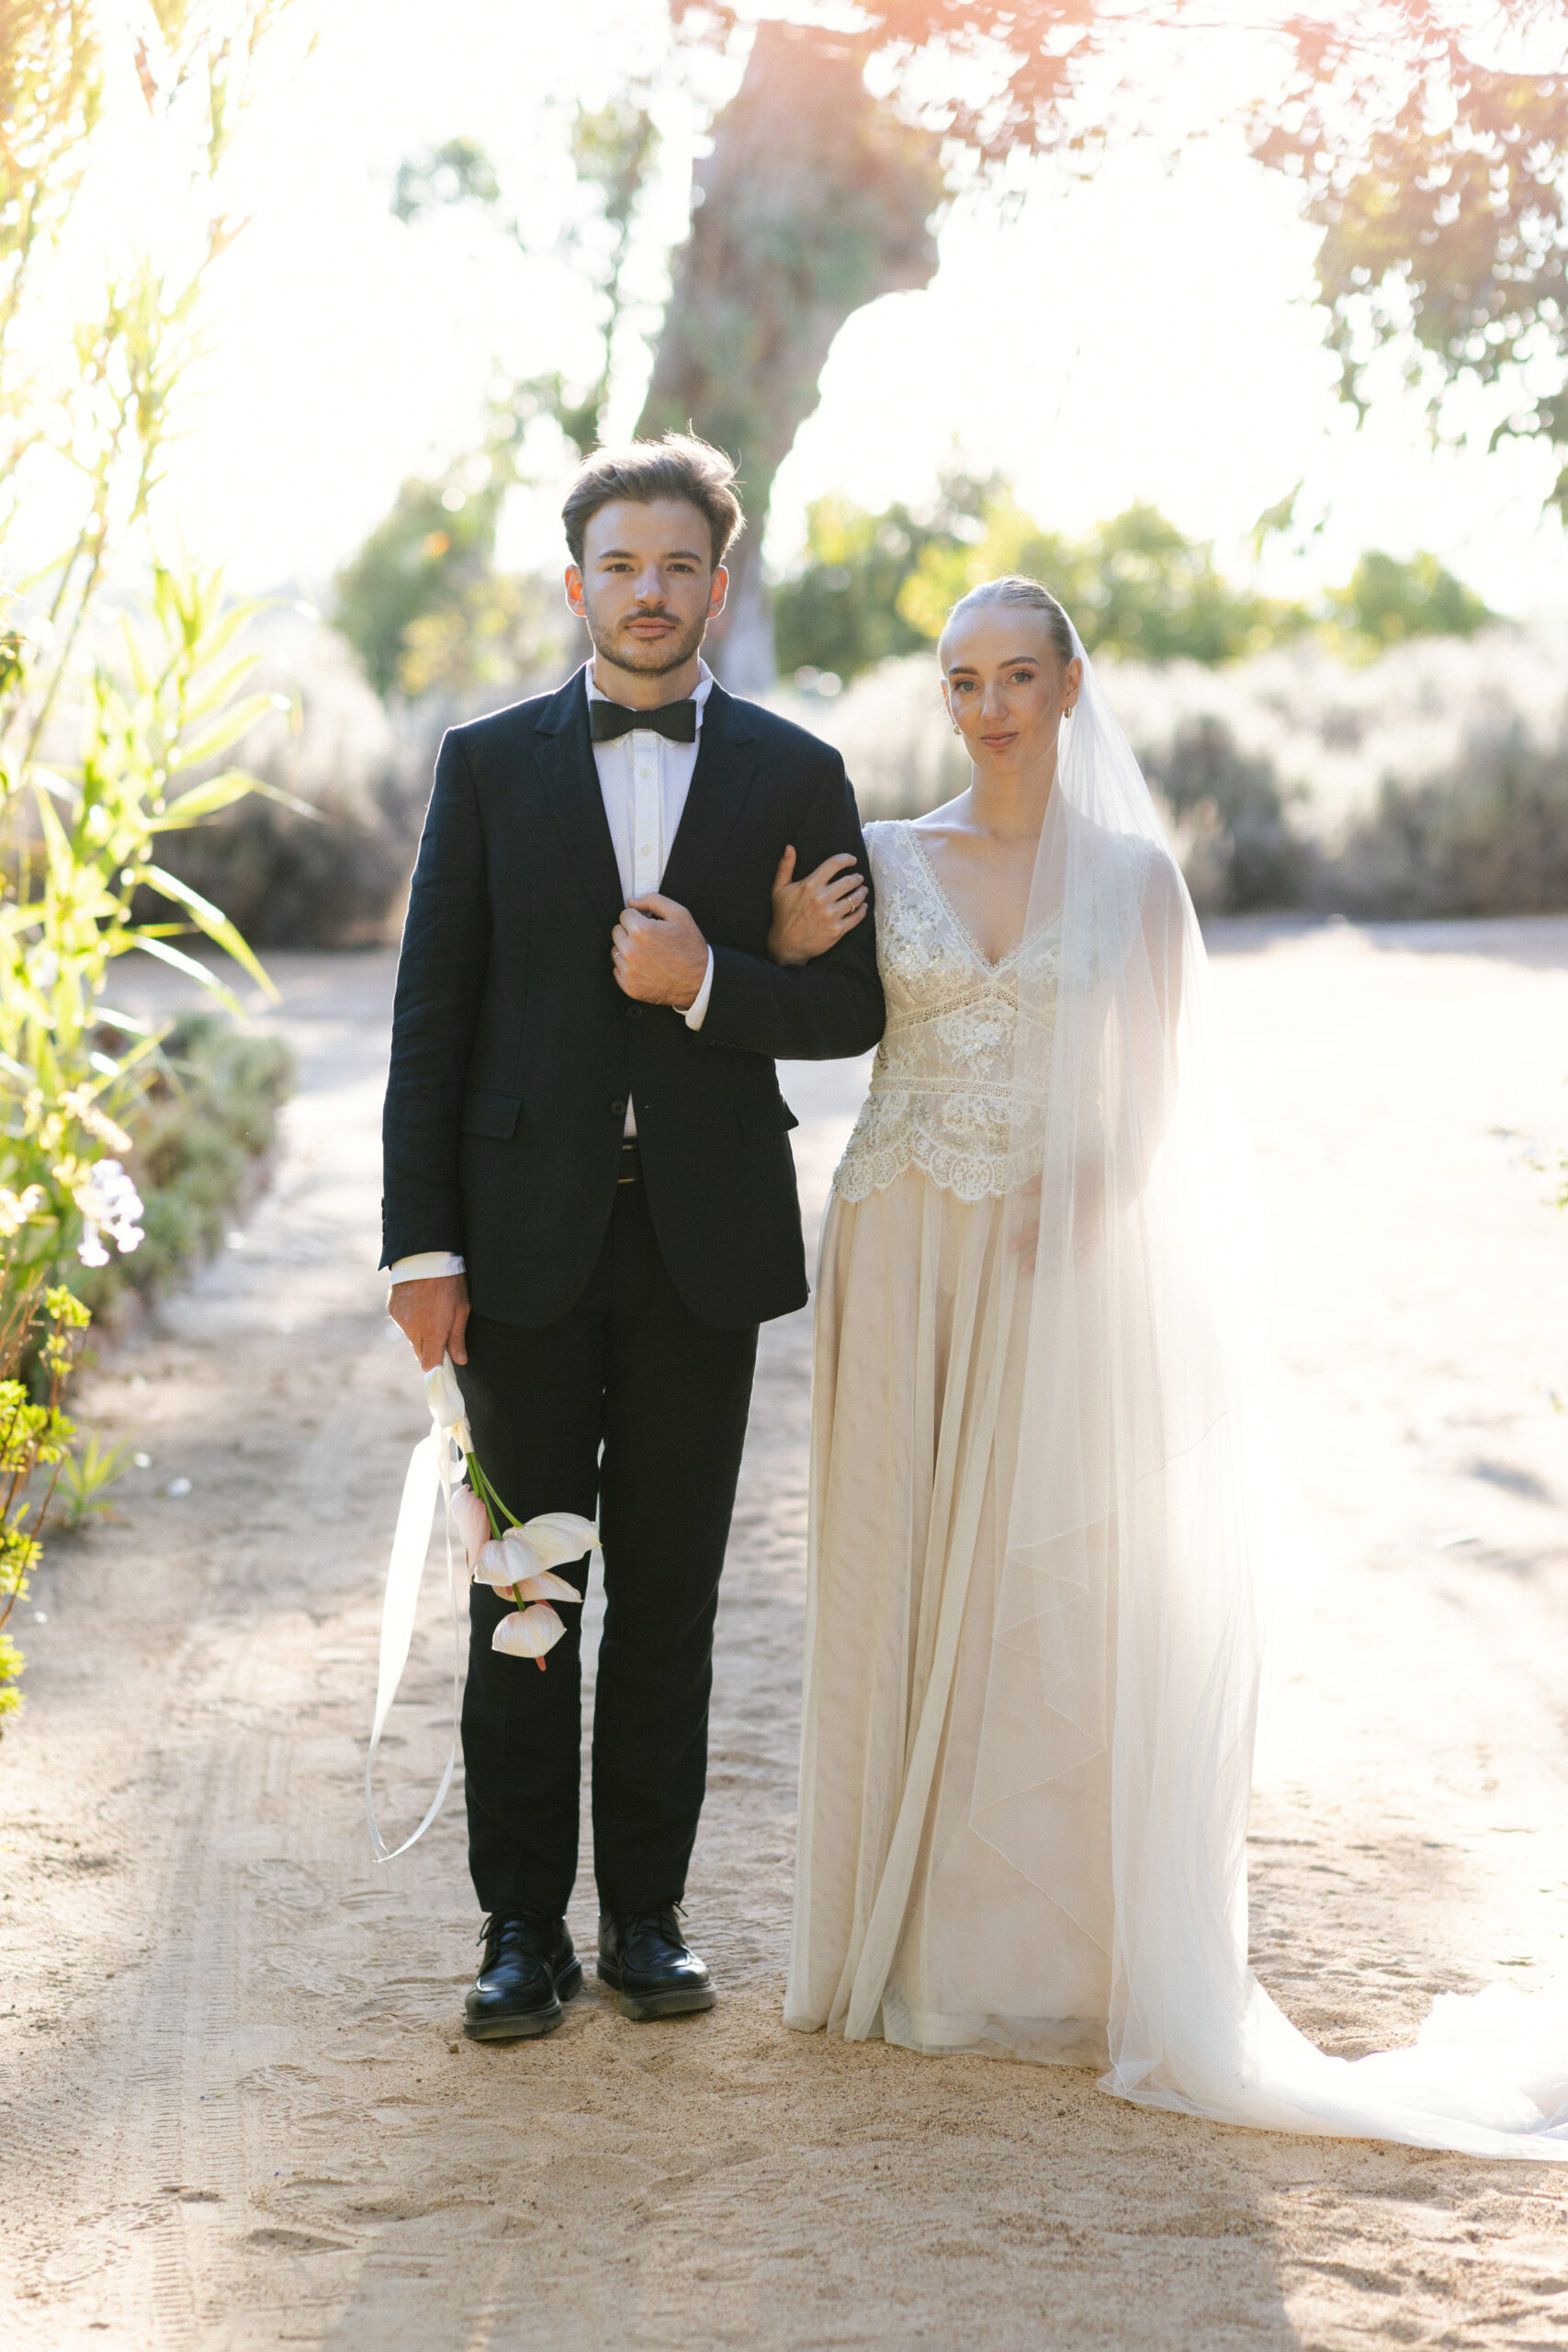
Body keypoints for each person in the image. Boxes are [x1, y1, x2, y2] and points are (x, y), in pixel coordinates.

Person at [784, 572, 1568, 2158]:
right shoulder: (887, 861)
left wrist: (1073, 1215)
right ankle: (881, 1950)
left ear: (1073, 685)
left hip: (1043, 1264)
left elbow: (1160, 1104)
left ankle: (1025, 1960)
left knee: (1033, 1591)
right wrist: (796, 945)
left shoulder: (1136, 884)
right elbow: (807, 1031)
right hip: (896, 1247)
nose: (989, 705)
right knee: (897, 1572)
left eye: (1017, 674)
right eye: (962, 681)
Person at [380, 433, 883, 2041]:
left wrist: (720, 980)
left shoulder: (795, 772)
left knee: (667, 1598)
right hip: (518, 1253)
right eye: (621, 564)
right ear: (576, 581)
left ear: (718, 585)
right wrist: (420, 1252)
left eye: (679, 565)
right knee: (526, 1598)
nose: (649, 592)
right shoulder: (487, 761)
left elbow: (854, 1004)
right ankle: (519, 1929)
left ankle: (646, 1921)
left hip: (700, 1251)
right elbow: (431, 1016)